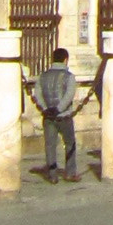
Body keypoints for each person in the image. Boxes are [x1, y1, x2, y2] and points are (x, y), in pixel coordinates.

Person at [36, 43, 80, 180]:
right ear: (66, 60)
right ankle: (70, 172)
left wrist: (45, 108)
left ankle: (52, 174)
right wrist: (59, 109)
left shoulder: (42, 76)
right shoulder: (69, 76)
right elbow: (69, 95)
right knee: (70, 143)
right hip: (64, 116)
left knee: (50, 145)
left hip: (48, 115)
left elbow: (38, 94)